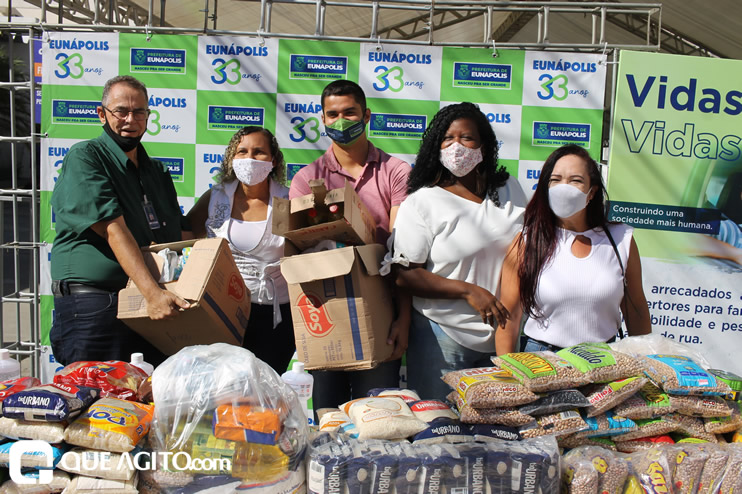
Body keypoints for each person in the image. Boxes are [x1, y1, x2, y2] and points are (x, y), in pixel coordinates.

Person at [382, 102, 527, 400]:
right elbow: (403, 276)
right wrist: (468, 291)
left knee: (493, 435)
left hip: (506, 339)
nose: (456, 146)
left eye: (467, 138)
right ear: (436, 146)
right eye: (448, 139)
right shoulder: (422, 202)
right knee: (440, 430)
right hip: (443, 337)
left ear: (484, 146)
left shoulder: (510, 189)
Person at [50, 75, 190, 366]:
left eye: (139, 112)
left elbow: (179, 232)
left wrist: (230, 195)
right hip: (96, 305)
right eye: (121, 111)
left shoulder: (157, 171)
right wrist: (152, 294)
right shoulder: (86, 157)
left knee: (141, 405)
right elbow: (114, 230)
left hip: (145, 307)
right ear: (102, 114)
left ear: (148, 116)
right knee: (94, 403)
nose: (131, 119)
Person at [289, 79, 412, 409]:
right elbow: (298, 251)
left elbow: (401, 253)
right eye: (333, 114)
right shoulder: (307, 179)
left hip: (381, 312)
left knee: (378, 417)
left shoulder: (396, 172)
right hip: (325, 313)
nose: (341, 122)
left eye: (349, 113)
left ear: (367, 115)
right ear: (323, 119)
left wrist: (403, 318)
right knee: (327, 419)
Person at [500, 144, 652, 354]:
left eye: (576, 180)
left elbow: (636, 311)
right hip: (541, 361)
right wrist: (509, 376)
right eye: (555, 180)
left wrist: (645, 364)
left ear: (592, 192)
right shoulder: (527, 241)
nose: (564, 187)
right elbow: (509, 317)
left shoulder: (621, 239)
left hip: (604, 361)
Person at [187, 126, 294, 373]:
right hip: (222, 312)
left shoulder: (289, 201)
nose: (250, 159)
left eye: (259, 152)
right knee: (222, 390)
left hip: (274, 316)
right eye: (242, 152)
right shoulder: (215, 198)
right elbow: (184, 236)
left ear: (273, 160)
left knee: (263, 395)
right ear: (231, 159)